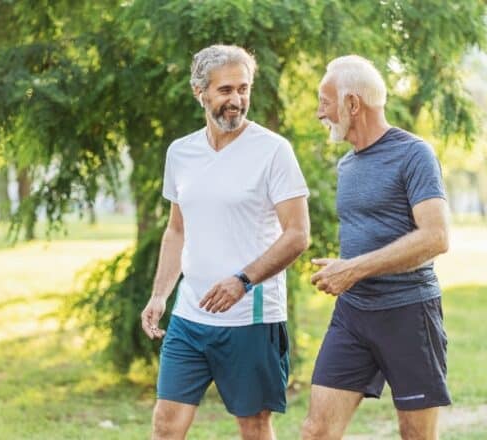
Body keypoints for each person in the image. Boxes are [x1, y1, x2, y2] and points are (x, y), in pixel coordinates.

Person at [140, 44, 310, 440]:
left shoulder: (273, 151)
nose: (236, 100)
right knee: (166, 424)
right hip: (190, 317)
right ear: (200, 92)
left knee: (253, 426)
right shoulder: (181, 153)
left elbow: (298, 234)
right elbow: (177, 230)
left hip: (251, 318)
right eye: (225, 90)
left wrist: (243, 280)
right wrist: (160, 295)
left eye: (243, 89)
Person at [303, 55, 451, 440]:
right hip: (353, 314)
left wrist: (353, 268)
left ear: (352, 103)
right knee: (317, 431)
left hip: (408, 312)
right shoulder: (346, 166)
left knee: (415, 435)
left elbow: (436, 237)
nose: (320, 113)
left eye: (325, 101)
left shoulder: (414, 154)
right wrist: (348, 271)